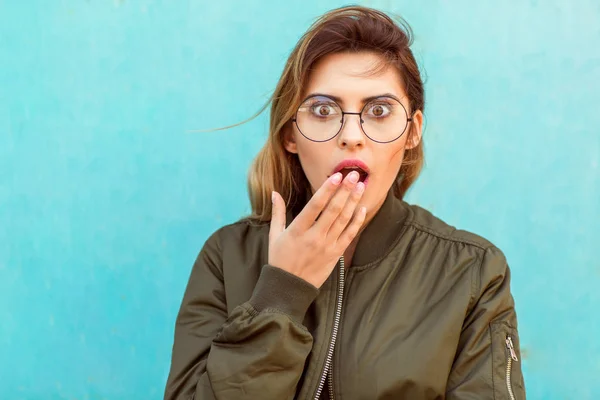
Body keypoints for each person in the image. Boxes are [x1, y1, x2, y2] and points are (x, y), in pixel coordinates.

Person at [164, 6, 525, 400]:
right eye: (322, 110)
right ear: (290, 135)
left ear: (412, 133)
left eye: (379, 111)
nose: (352, 135)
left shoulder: (473, 272)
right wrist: (280, 296)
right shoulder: (226, 257)